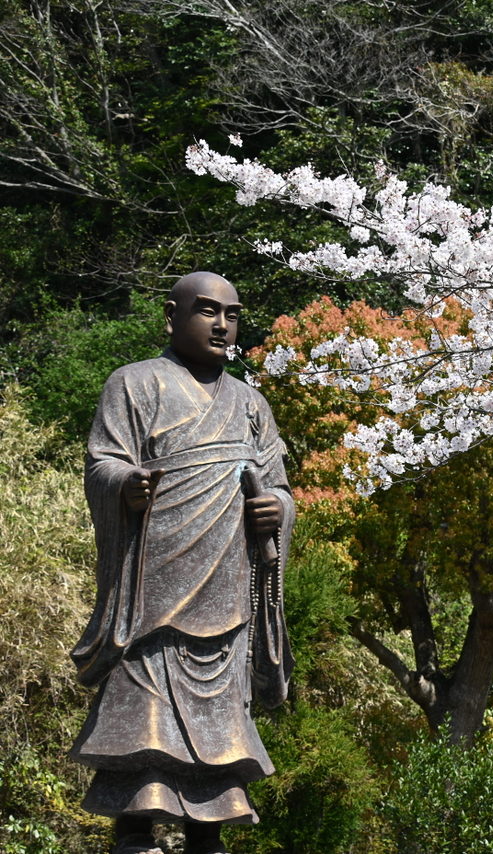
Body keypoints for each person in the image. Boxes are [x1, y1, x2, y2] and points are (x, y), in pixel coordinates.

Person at [69, 272, 294, 854]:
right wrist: (127, 485)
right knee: (143, 704)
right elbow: (103, 463)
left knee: (218, 710)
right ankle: (135, 827)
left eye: (233, 314)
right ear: (172, 316)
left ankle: (207, 832)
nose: (222, 325)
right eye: (208, 311)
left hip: (226, 585)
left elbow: (278, 486)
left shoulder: (250, 404)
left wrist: (276, 509)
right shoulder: (134, 384)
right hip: (153, 584)